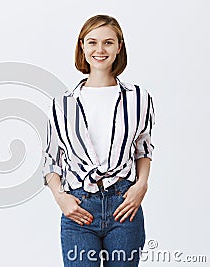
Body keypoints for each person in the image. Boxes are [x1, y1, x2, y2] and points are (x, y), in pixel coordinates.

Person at [42, 14, 155, 267]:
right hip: (80, 208)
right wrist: (61, 198)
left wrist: (142, 185)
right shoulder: (63, 104)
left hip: (124, 205)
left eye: (108, 42)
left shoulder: (138, 98)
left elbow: (143, 148)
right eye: (92, 42)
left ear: (119, 47)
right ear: (82, 46)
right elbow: (50, 159)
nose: (100, 50)